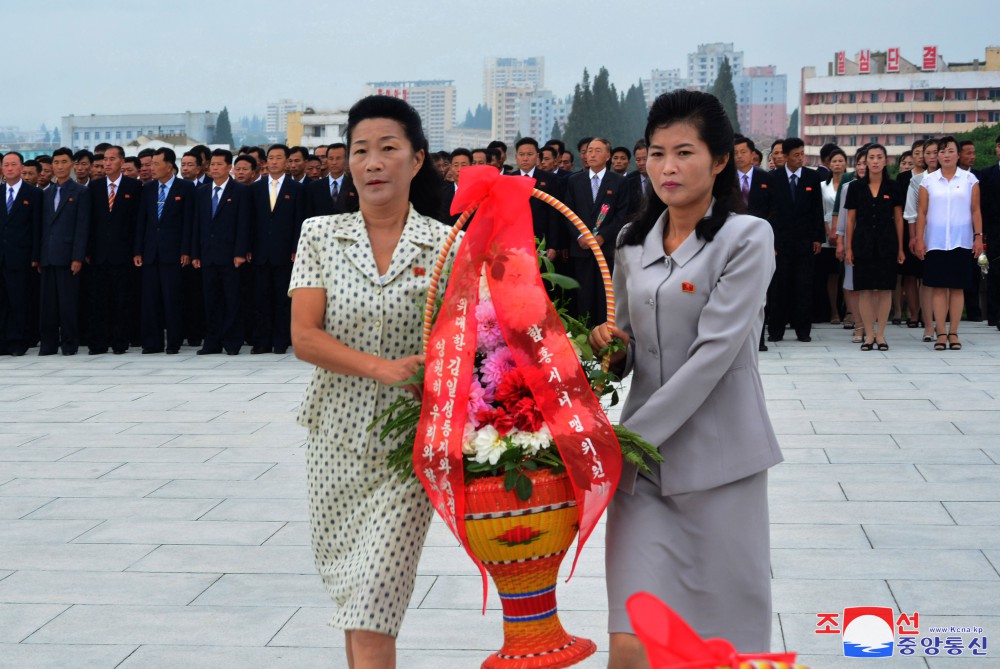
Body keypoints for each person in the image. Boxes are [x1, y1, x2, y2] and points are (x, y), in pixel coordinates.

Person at [589, 89, 781, 667]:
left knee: (720, 646)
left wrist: (622, 442)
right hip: (643, 473)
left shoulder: (746, 238)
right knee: (630, 639)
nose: (667, 168)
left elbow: (714, 354)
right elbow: (627, 349)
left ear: (721, 160)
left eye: (684, 152)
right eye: (656, 153)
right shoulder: (630, 243)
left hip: (720, 464)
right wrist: (607, 351)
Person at [289, 94, 450, 669]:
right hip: (334, 440)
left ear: (416, 160)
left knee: (376, 601)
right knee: (356, 599)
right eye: (361, 150)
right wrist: (384, 368)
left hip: (408, 448)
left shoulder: (446, 245)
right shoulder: (320, 235)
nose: (373, 162)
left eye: (388, 148)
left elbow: (465, 342)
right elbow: (304, 335)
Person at [915, 136, 984, 351]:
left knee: (956, 288)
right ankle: (940, 332)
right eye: (942, 151)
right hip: (935, 241)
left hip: (960, 241)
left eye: (950, 151)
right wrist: (919, 238)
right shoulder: (928, 181)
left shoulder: (969, 179)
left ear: (958, 154)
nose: (946, 155)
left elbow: (975, 210)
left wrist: (979, 236)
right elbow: (922, 212)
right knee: (937, 288)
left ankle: (953, 332)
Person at [134, 147, 195, 354]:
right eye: (151, 164)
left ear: (169, 166)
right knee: (150, 300)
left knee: (172, 299)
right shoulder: (148, 189)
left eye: (156, 164)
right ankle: (152, 342)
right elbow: (141, 221)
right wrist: (138, 250)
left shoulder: (185, 188)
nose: (152, 168)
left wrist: (187, 250)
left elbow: (189, 222)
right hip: (151, 253)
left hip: (174, 253)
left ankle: (174, 342)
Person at [844, 144, 905, 351]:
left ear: (886, 161)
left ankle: (881, 335)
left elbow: (898, 219)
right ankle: (869, 334)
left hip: (887, 243)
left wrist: (900, 248)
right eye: (872, 157)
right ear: (865, 161)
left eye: (880, 157)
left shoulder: (893, 186)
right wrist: (849, 248)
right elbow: (850, 220)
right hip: (862, 243)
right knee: (865, 290)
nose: (876, 161)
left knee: (885, 290)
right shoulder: (855, 187)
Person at [563, 137, 629, 325]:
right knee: (583, 295)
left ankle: (605, 335)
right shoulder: (574, 180)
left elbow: (622, 215)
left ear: (608, 156)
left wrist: (603, 236)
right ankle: (584, 334)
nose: (591, 154)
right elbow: (567, 212)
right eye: (589, 150)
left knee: (605, 295)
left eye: (597, 150)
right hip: (581, 249)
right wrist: (579, 236)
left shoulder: (618, 182)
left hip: (606, 248)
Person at [765, 137, 825, 342]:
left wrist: (818, 238)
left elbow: (818, 209)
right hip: (780, 242)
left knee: (803, 286)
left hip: (804, 240)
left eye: (802, 154)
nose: (801, 158)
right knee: (779, 286)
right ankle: (776, 330)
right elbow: (770, 212)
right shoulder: (773, 178)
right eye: (796, 155)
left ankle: (803, 331)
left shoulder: (811, 177)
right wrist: (770, 242)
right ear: (786, 156)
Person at [191, 149, 250, 355]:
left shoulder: (240, 191)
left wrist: (240, 252)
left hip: (231, 256)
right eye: (212, 164)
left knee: (232, 300)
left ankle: (232, 341)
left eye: (218, 164)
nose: (214, 168)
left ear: (229, 167)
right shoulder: (202, 192)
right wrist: (195, 253)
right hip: (207, 255)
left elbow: (244, 224)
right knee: (211, 300)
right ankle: (212, 342)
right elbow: (196, 225)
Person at [86, 145, 142, 355]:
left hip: (124, 254)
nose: (107, 163)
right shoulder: (94, 187)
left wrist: (136, 250)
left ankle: (120, 342)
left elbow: (138, 223)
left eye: (111, 159)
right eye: (104, 159)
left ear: (121, 162)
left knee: (122, 300)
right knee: (98, 301)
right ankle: (98, 342)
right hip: (99, 254)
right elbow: (89, 222)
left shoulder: (134, 187)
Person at [249, 144, 303, 354]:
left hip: (284, 253)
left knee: (282, 299)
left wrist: (295, 247)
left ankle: (281, 341)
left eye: (278, 157)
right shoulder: (255, 188)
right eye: (270, 157)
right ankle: (262, 341)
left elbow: (299, 221)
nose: (273, 161)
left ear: (286, 161)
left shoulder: (297, 189)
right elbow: (249, 221)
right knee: (261, 299)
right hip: (260, 252)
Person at [39, 148, 91, 356]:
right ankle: (48, 344)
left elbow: (82, 227)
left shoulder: (80, 192)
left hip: (68, 256)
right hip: (48, 256)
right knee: (47, 305)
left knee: (68, 304)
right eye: (56, 162)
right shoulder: (46, 193)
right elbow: (42, 226)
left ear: (71, 165)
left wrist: (77, 257)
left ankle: (69, 343)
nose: (59, 166)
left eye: (64, 162)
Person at [0, 151, 43, 356]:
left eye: (13, 164)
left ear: (21, 167)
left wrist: (35, 256)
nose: (9, 168)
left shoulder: (33, 193)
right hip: (1, 256)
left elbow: (36, 228)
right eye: (6, 165)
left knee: (19, 301)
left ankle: (18, 342)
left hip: (21, 257)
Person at [906, 139, 940, 342]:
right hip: (925, 236)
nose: (933, 156)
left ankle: (943, 326)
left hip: (948, 237)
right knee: (927, 283)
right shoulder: (917, 182)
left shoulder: (958, 179)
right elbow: (911, 213)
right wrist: (914, 238)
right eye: (928, 153)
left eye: (937, 152)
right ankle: (928, 326)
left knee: (945, 284)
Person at [819, 147, 848, 324]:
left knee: (847, 274)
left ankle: (849, 311)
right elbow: (821, 210)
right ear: (829, 165)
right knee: (831, 275)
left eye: (840, 161)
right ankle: (834, 311)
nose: (837, 164)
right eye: (834, 161)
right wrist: (829, 231)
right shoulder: (822, 186)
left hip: (846, 232)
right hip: (827, 233)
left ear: (846, 164)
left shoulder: (850, 184)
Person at [980, 135, 1000, 329]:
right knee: (995, 273)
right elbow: (983, 205)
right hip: (995, 230)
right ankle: (994, 315)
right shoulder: (988, 174)